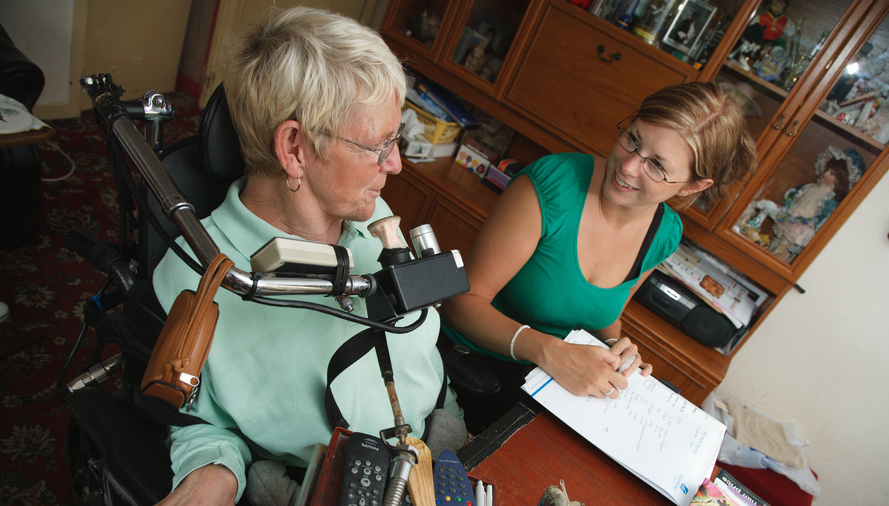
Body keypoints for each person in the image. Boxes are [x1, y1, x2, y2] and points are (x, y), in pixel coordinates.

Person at [153, 7, 465, 504]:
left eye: (396, 139)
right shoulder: (199, 276)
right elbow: (200, 425)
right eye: (378, 145)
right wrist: (211, 478)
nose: (397, 164)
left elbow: (420, 353)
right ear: (295, 147)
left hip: (440, 451)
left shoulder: (372, 216)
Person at [441, 81, 758, 432]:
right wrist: (548, 351)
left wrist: (616, 347)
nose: (628, 166)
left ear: (692, 186)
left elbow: (602, 315)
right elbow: (461, 303)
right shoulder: (551, 187)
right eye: (633, 140)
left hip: (548, 383)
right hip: (467, 368)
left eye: (656, 166)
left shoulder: (664, 233)